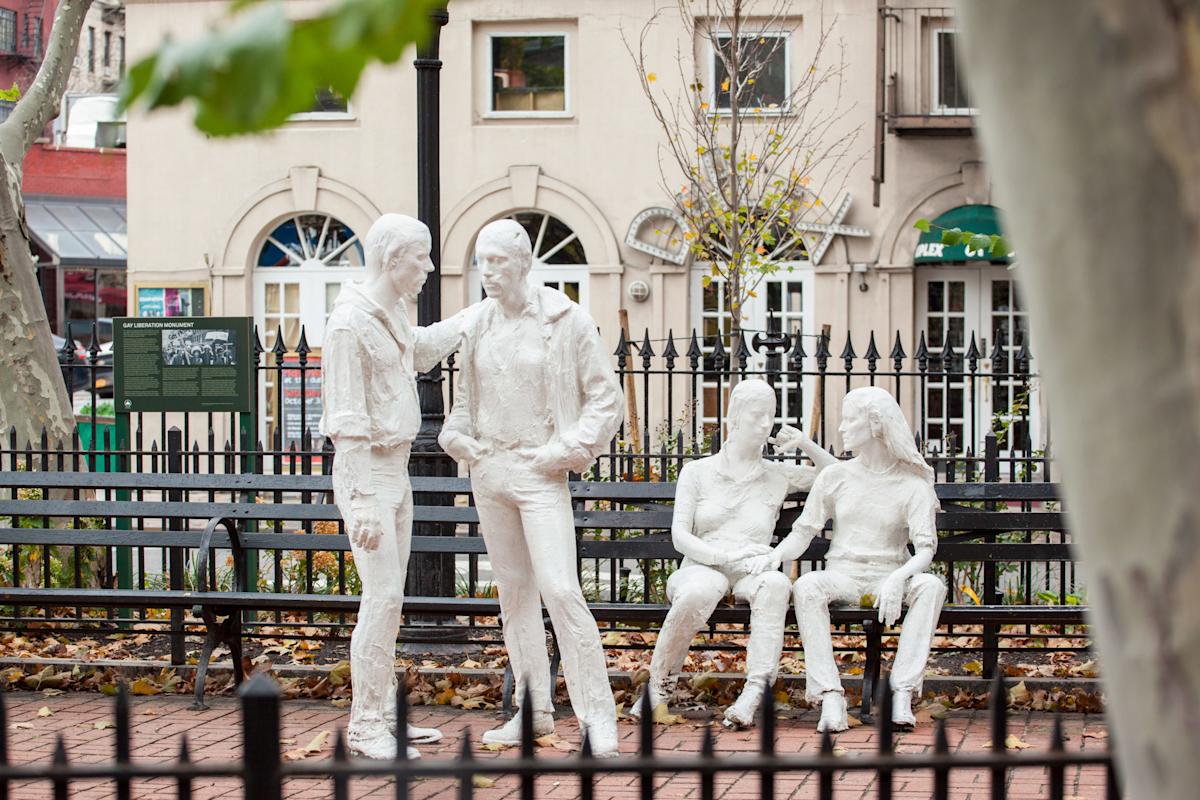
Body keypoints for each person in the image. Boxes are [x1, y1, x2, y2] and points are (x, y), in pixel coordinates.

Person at [439, 218, 624, 757]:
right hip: (489, 474)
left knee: (562, 591)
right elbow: (463, 410)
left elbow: (605, 399)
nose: (487, 272)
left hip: (541, 472)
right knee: (514, 596)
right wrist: (456, 439)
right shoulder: (477, 326)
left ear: (523, 262)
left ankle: (597, 717)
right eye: (481, 262)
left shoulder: (567, 320)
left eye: (497, 261)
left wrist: (564, 452)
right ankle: (533, 710)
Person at [320, 213, 471, 759]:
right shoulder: (349, 324)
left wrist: (474, 316)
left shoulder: (391, 315)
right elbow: (346, 420)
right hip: (370, 474)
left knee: (390, 599)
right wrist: (359, 500)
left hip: (397, 469)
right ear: (391, 260)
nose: (429, 268)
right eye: (421, 257)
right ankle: (365, 726)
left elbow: (423, 348)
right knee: (380, 598)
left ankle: (382, 714)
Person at [634, 379, 837, 728]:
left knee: (775, 585)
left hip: (751, 569)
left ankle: (753, 694)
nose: (765, 424)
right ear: (735, 417)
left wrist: (805, 443)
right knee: (703, 589)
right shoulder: (698, 472)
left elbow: (840, 476)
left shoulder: (777, 475)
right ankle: (659, 686)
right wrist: (723, 556)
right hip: (701, 565)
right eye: (757, 415)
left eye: (770, 416)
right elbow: (680, 536)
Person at [748, 386, 944, 731]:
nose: (842, 428)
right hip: (844, 575)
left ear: (876, 426)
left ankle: (901, 692)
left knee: (930, 586)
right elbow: (803, 531)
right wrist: (775, 555)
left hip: (890, 574)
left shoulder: (912, 484)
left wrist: (898, 578)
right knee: (808, 585)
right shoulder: (835, 476)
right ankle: (830, 695)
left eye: (849, 420)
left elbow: (926, 548)